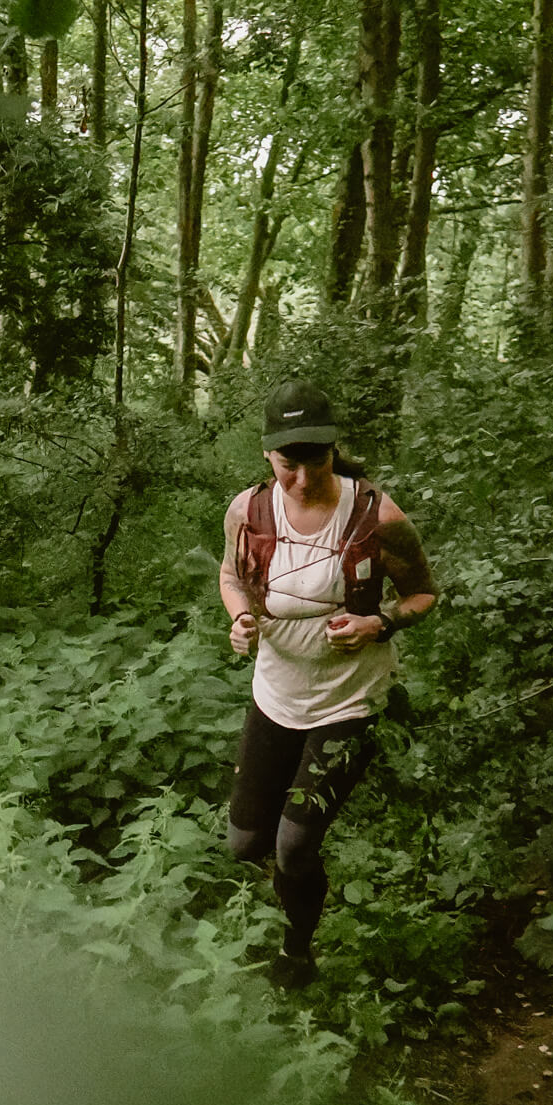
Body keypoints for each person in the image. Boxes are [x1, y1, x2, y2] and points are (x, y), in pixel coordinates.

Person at [217, 380, 437, 989]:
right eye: (289, 465)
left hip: (348, 702)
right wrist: (238, 617)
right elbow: (231, 576)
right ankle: (292, 880)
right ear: (268, 455)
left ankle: (297, 953)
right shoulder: (248, 510)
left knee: (292, 846)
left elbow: (423, 594)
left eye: (317, 461)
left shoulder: (377, 516)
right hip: (275, 696)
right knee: (243, 845)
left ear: (334, 450)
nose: (304, 479)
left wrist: (379, 621)